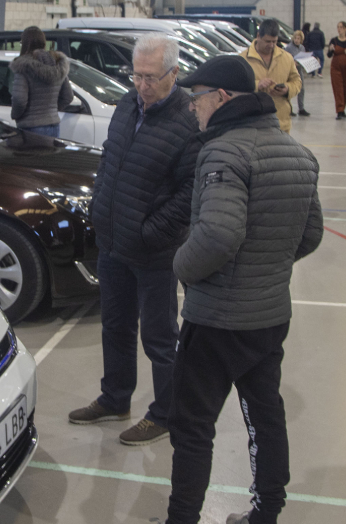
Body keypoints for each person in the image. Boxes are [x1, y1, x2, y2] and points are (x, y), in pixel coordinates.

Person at [164, 54, 323, 524]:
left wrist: (180, 267)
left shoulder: (223, 151)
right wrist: (266, 266)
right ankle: (266, 513)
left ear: (222, 98)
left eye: (197, 99)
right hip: (270, 314)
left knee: (191, 427)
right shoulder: (296, 152)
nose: (193, 108)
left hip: (217, 319)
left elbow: (218, 235)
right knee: (264, 415)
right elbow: (310, 234)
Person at [69, 33, 200, 446]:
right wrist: (99, 205)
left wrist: (150, 232)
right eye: (136, 75)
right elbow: (110, 155)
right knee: (115, 325)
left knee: (159, 337)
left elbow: (189, 193)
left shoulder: (189, 120)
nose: (141, 85)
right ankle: (115, 398)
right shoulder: (128, 104)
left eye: (151, 78)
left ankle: (166, 413)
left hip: (155, 251)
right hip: (113, 240)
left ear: (173, 74)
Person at [10, 26, 74, 138]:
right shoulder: (57, 64)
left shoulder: (23, 66)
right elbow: (68, 96)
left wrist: (15, 115)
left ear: (24, 43)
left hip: (30, 127)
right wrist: (52, 110)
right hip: (54, 126)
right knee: (50, 156)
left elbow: (19, 99)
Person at [241, 18, 301, 133]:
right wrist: (257, 85)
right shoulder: (243, 59)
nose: (272, 45)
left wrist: (288, 89)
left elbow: (297, 81)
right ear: (258, 36)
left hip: (281, 124)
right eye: (268, 41)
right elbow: (235, 85)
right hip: (253, 125)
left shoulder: (287, 58)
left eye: (274, 41)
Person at [326, 21, 346, 120]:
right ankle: (339, 110)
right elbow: (329, 55)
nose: (339, 29)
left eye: (341, 27)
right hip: (336, 68)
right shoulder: (334, 40)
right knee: (338, 89)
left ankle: (343, 108)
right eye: (338, 27)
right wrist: (330, 50)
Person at [283, 30, 311, 117]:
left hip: (299, 70)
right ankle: (289, 108)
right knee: (289, 89)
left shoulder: (302, 48)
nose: (296, 40)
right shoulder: (289, 47)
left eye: (298, 38)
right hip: (290, 71)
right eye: (295, 38)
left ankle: (301, 108)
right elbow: (285, 58)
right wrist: (292, 62)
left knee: (301, 89)